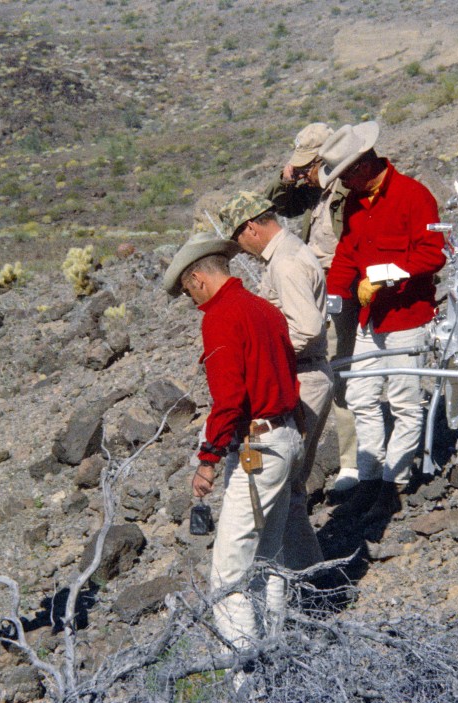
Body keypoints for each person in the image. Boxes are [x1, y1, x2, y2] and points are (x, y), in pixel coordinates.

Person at [162, 231, 303, 652]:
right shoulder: (263, 308)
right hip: (286, 435)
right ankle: (274, 656)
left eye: (189, 292)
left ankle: (244, 678)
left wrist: (207, 461)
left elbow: (228, 400)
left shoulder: (221, 317)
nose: (193, 302)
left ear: (200, 279)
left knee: (228, 573)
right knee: (269, 557)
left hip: (256, 446)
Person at [320, 122, 446, 525]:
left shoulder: (414, 195)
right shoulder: (356, 206)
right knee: (360, 396)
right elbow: (346, 255)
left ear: (362, 165)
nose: (342, 184)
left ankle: (394, 483)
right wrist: (331, 296)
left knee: (407, 401)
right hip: (370, 318)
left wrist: (386, 273)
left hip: (407, 316)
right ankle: (370, 478)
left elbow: (433, 254)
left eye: (345, 175)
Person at [219, 191, 331, 570]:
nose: (242, 248)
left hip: (303, 375)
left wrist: (269, 358)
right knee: (289, 486)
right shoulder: (289, 253)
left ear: (250, 228)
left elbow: (308, 328)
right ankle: (302, 576)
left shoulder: (284, 264)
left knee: (288, 488)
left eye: (239, 239)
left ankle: (306, 581)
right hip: (305, 372)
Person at [266, 123, 360, 493]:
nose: (304, 172)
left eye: (308, 165)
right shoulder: (316, 191)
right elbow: (278, 204)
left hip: (339, 289)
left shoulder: (344, 190)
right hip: (314, 288)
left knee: (338, 371)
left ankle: (351, 461)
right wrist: (287, 177)